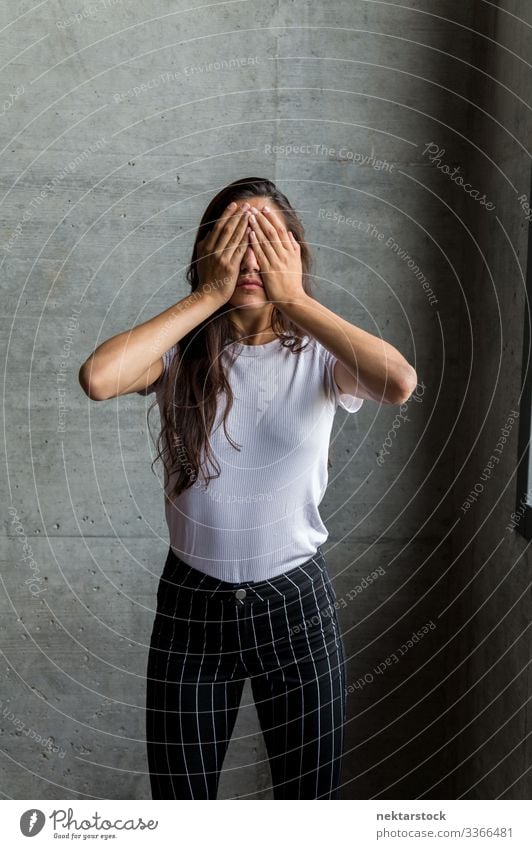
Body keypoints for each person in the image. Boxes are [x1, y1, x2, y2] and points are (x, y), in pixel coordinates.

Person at [79, 176, 417, 799]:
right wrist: (210, 293)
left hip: (294, 605)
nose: (249, 259)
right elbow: (99, 378)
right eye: (233, 239)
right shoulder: (177, 354)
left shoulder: (320, 353)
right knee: (182, 811)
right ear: (207, 252)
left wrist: (297, 300)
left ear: (293, 251)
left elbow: (398, 382)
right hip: (191, 605)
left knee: (306, 809)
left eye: (266, 239)